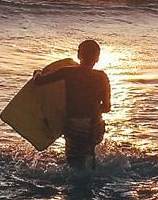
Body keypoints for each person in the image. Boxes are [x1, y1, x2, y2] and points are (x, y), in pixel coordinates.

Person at [34, 40, 111, 172]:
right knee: (90, 159)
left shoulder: (68, 72)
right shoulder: (102, 77)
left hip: (75, 124)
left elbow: (39, 82)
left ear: (79, 55)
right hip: (95, 124)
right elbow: (107, 108)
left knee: (74, 164)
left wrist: (38, 72)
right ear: (97, 58)